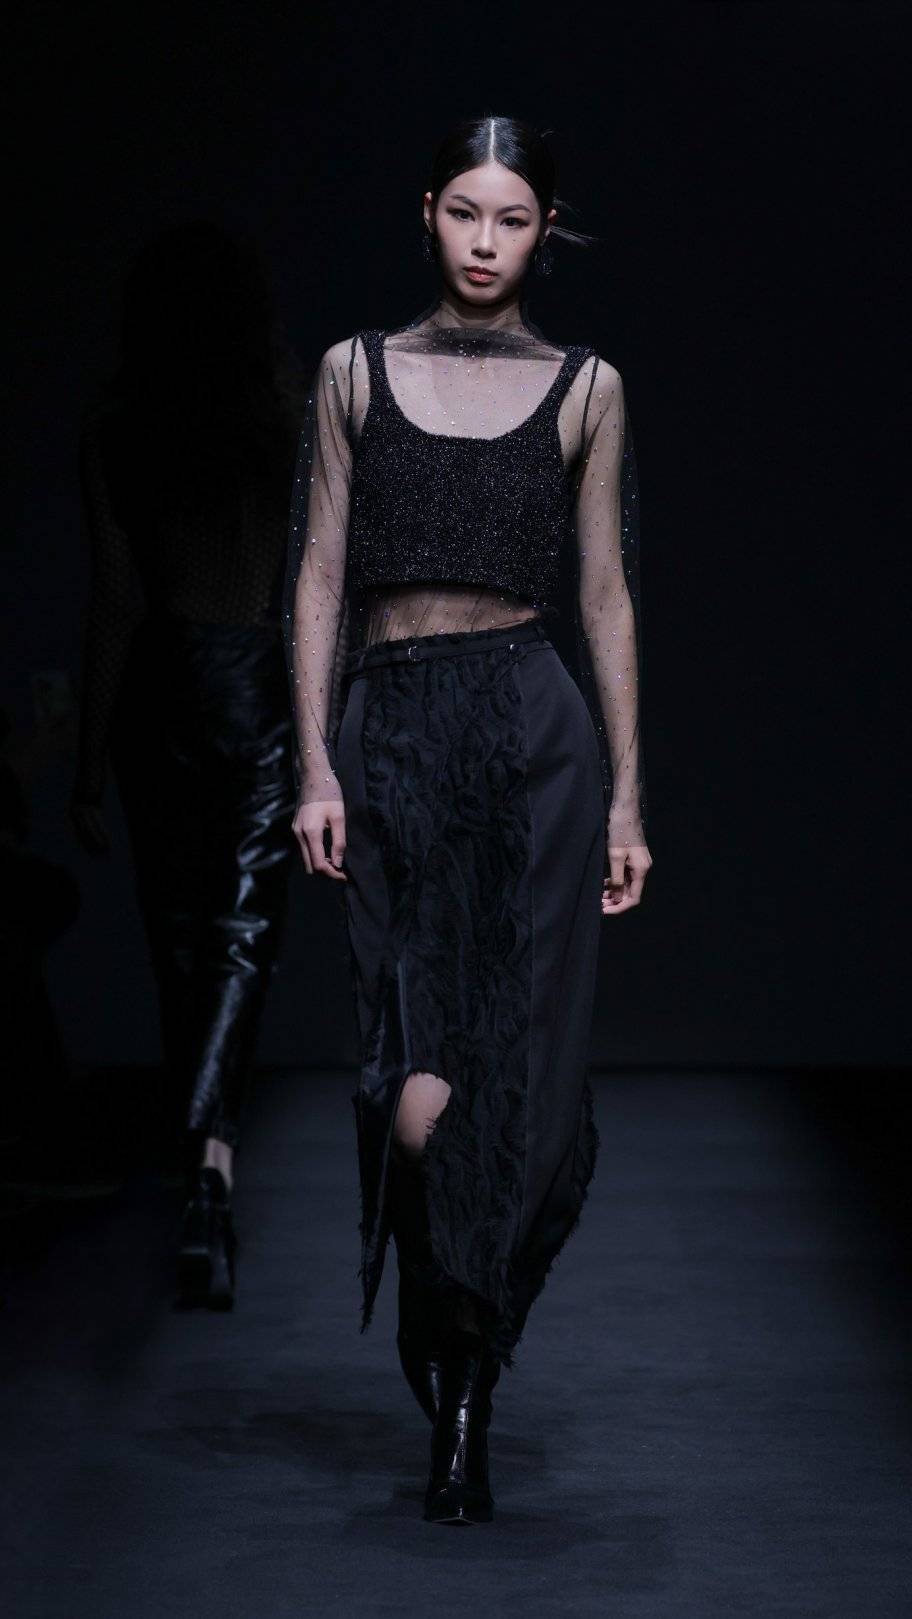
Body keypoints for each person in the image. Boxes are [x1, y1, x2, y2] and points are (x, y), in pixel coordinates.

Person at [283, 115, 653, 1525]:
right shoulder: (353, 373)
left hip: (532, 739)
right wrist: (314, 766)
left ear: (544, 230)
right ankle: (443, 1315)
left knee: (519, 1071)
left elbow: (605, 593)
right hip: (389, 732)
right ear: (427, 210)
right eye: (465, 212)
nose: (486, 242)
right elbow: (318, 574)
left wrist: (628, 794)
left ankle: (465, 1386)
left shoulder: (586, 386)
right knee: (411, 1075)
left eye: (514, 219)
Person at [71, 222, 302, 1309]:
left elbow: (115, 602)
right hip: (256, 685)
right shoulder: (288, 419)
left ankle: (198, 1161)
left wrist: (85, 763)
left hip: (158, 688)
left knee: (178, 945)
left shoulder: (118, 429)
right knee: (241, 941)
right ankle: (211, 1169)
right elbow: (311, 591)